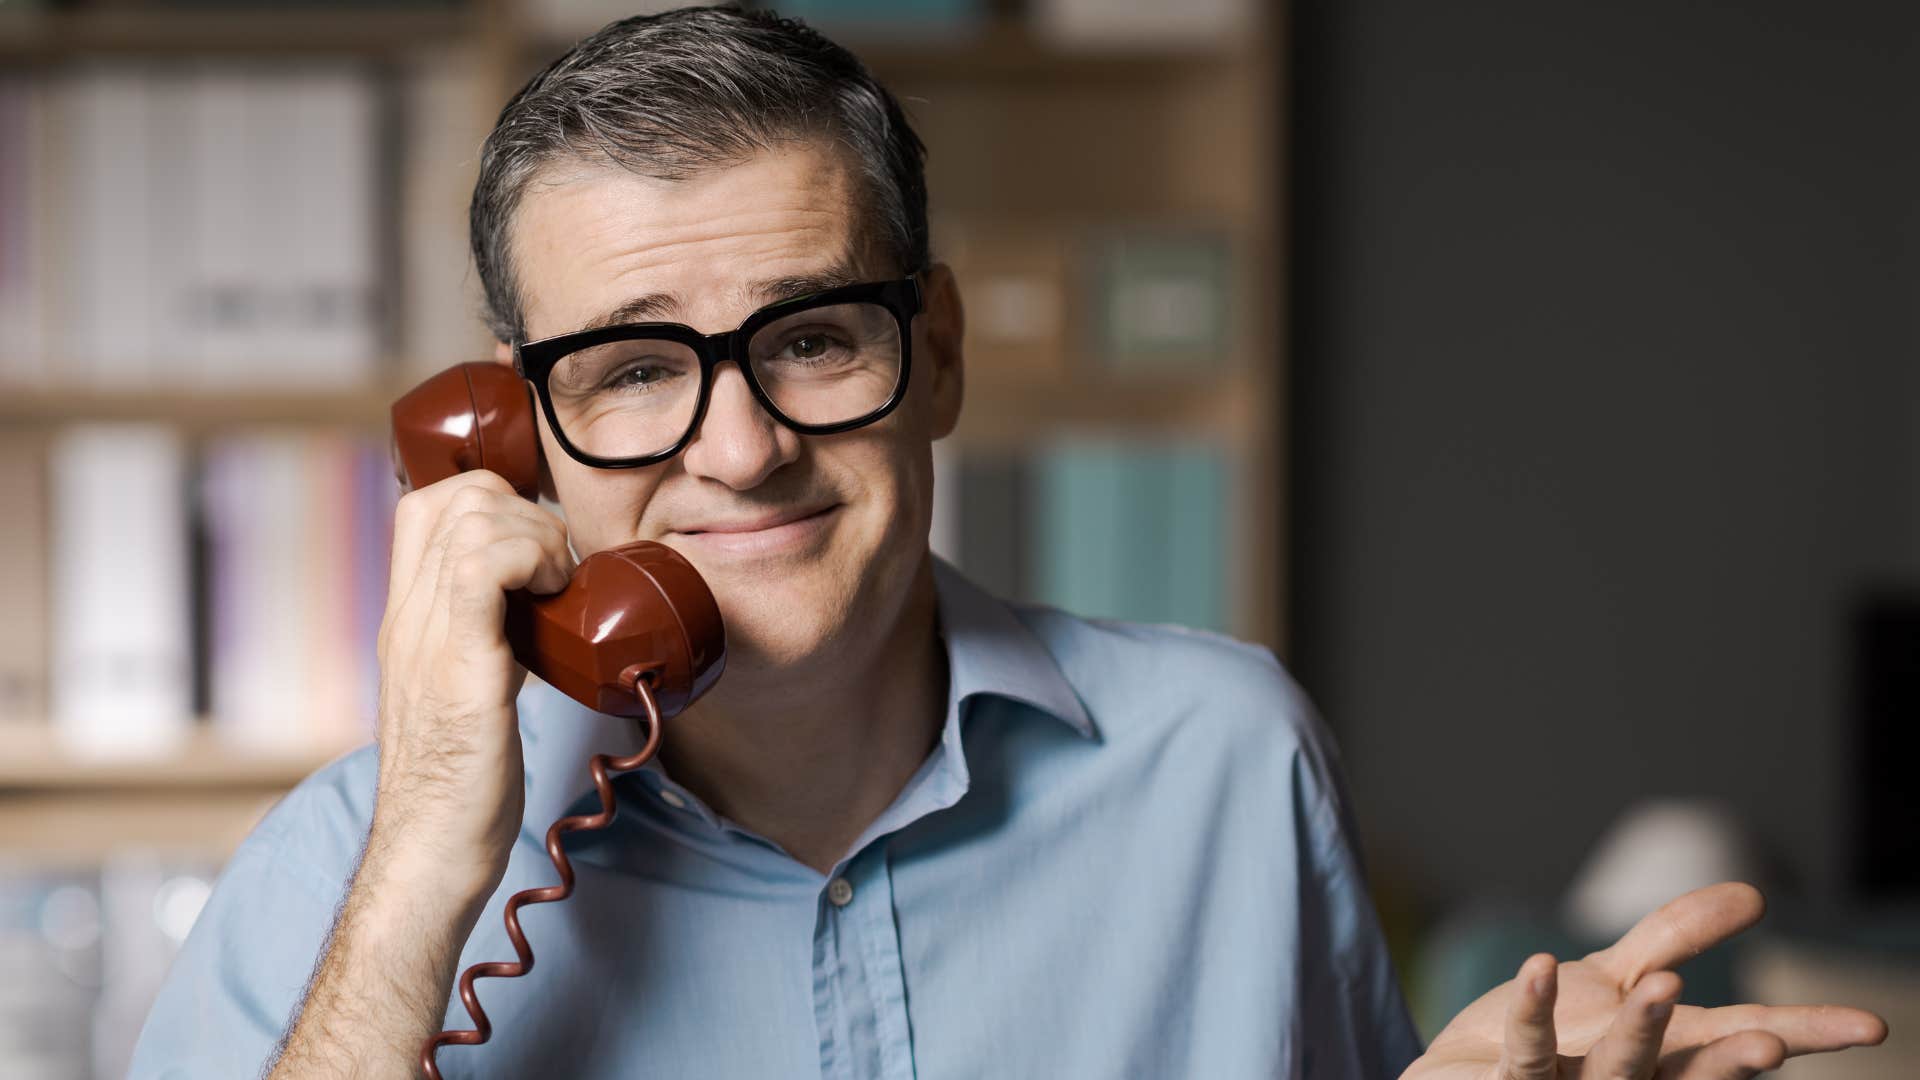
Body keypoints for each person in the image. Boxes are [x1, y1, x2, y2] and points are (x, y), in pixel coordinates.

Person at [129, 7, 1887, 1078]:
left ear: (939, 357)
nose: (742, 449)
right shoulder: (360, 862)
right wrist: (440, 858)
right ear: (513, 432)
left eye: (816, 339)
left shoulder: (1229, 763)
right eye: (637, 370)